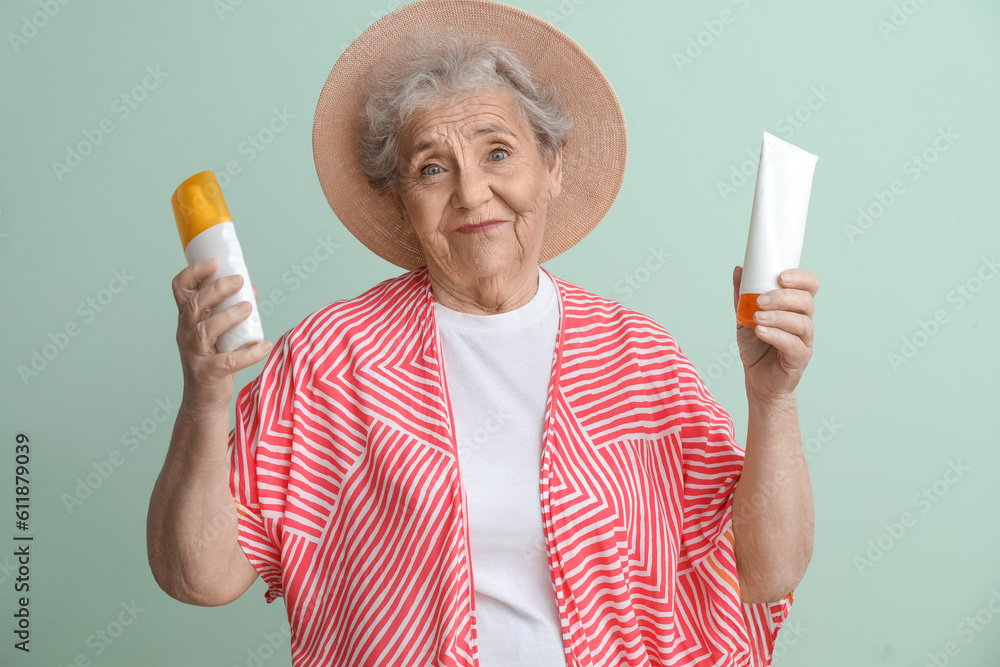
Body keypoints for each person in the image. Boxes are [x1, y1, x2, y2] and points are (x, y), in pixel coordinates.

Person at [146, 0, 818, 665]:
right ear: (402, 202)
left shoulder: (636, 354)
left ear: (551, 169)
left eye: (497, 152)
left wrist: (773, 400)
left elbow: (768, 571)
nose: (470, 193)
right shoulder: (331, 358)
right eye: (432, 168)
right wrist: (205, 398)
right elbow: (199, 576)